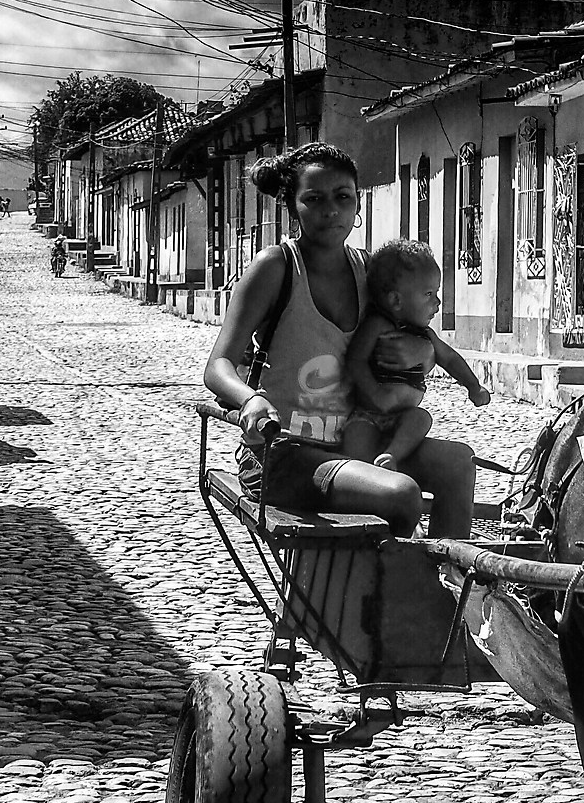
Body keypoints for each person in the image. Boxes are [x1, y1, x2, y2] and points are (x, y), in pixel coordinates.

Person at [202, 142, 477, 537]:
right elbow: (218, 365)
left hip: (358, 440)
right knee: (401, 494)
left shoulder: (371, 272)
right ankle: (399, 594)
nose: (331, 210)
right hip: (285, 453)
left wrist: (424, 351)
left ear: (357, 204)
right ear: (292, 206)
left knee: (458, 463)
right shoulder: (275, 268)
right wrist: (251, 398)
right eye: (313, 199)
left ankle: (449, 588)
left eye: (343, 197)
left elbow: (413, 333)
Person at [341, 239, 491, 469]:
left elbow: (449, 358)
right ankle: (360, 480)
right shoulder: (378, 326)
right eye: (429, 294)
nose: (438, 302)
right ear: (396, 300)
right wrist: (375, 393)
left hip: (405, 414)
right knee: (356, 437)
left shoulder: (426, 335)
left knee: (422, 419)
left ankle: (392, 456)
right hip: (368, 412)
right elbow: (355, 360)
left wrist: (473, 385)